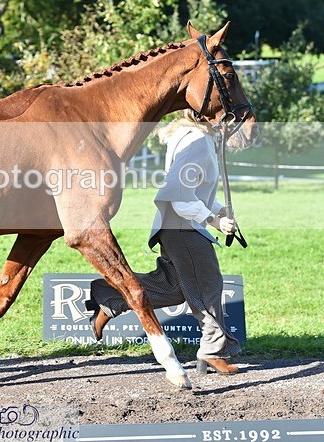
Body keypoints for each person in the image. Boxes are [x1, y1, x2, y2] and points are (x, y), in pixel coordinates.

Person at [85, 109, 242, 375]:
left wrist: (216, 211)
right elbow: (178, 195)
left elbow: (194, 190)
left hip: (175, 227)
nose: (226, 120)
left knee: (174, 288)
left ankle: (111, 298)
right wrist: (213, 221)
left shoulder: (192, 137)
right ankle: (214, 350)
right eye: (221, 114)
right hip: (183, 228)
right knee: (208, 285)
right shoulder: (197, 142)